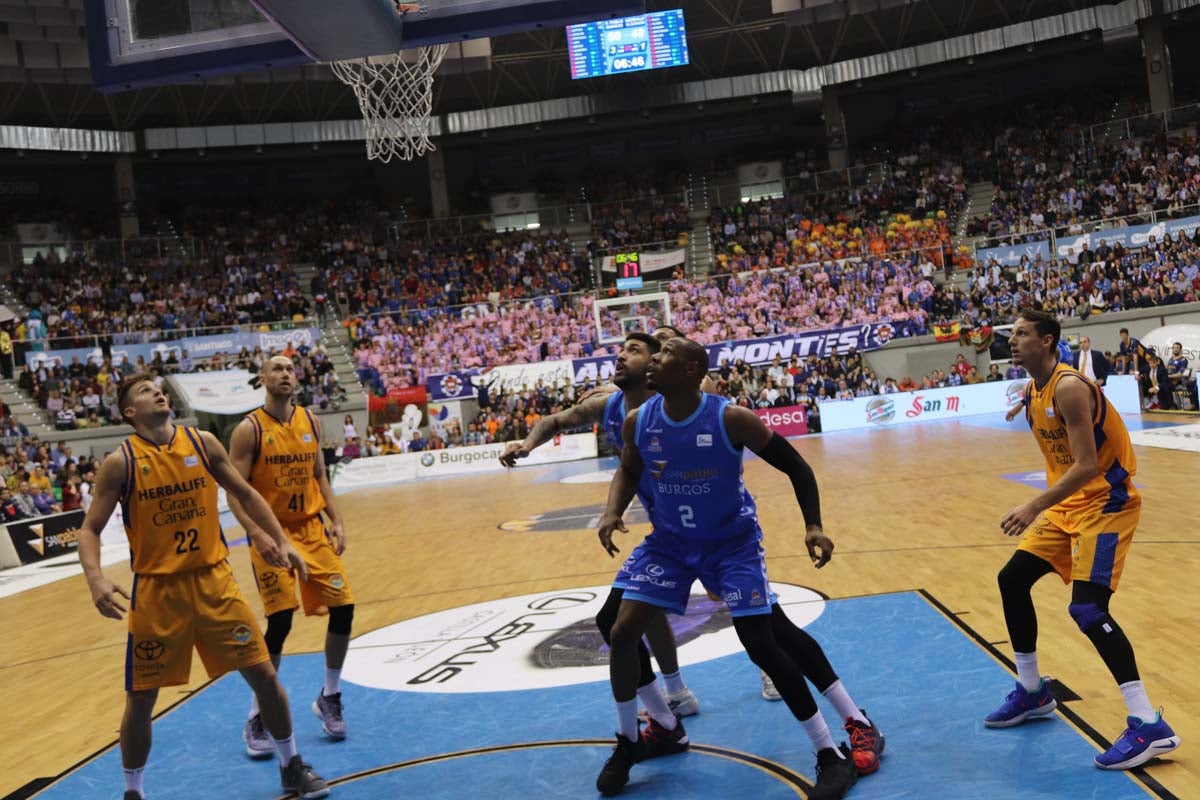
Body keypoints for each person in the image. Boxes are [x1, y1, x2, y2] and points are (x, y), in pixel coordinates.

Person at [594, 337, 869, 799]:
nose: (654, 360)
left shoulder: (730, 418)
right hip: (671, 545)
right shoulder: (639, 421)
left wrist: (814, 526)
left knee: (762, 643)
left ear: (689, 372)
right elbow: (629, 469)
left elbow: (797, 465)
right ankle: (631, 740)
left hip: (730, 545)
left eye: (663, 355)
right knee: (619, 630)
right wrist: (611, 510)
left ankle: (829, 753)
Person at [75, 374, 330, 800]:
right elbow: (89, 529)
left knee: (265, 676)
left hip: (215, 582)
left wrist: (281, 541)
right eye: (144, 391)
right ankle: (132, 792)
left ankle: (291, 765)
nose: (157, 391)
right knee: (140, 701)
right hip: (158, 593)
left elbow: (247, 495)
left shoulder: (203, 443)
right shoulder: (121, 463)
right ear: (129, 413)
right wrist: (95, 577)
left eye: (159, 387)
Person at [989, 309, 1180, 770]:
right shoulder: (1034, 388)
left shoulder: (1070, 387)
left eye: (1021, 334)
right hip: (1069, 506)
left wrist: (1033, 505)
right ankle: (1033, 692)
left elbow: (1088, 465)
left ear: (1048, 341)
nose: (1012, 341)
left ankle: (1148, 725)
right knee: (1012, 580)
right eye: (1011, 334)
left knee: (1088, 609)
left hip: (1106, 502)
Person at [501, 334, 702, 732]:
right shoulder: (610, 405)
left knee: (752, 616)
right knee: (641, 608)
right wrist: (527, 445)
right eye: (621, 349)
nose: (619, 356)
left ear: (654, 365)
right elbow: (556, 421)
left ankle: (769, 667)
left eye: (633, 350)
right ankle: (675, 694)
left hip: (707, 525)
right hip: (667, 531)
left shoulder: (673, 404)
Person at [227, 356, 355, 755]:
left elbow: (319, 474)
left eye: (289, 368)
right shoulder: (249, 430)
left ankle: (328, 696)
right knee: (279, 622)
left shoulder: (310, 421)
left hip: (311, 530)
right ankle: (257, 716)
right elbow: (235, 489)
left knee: (345, 606)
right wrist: (254, 532)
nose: (285, 373)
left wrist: (336, 519)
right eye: (276, 369)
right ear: (263, 379)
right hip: (271, 534)